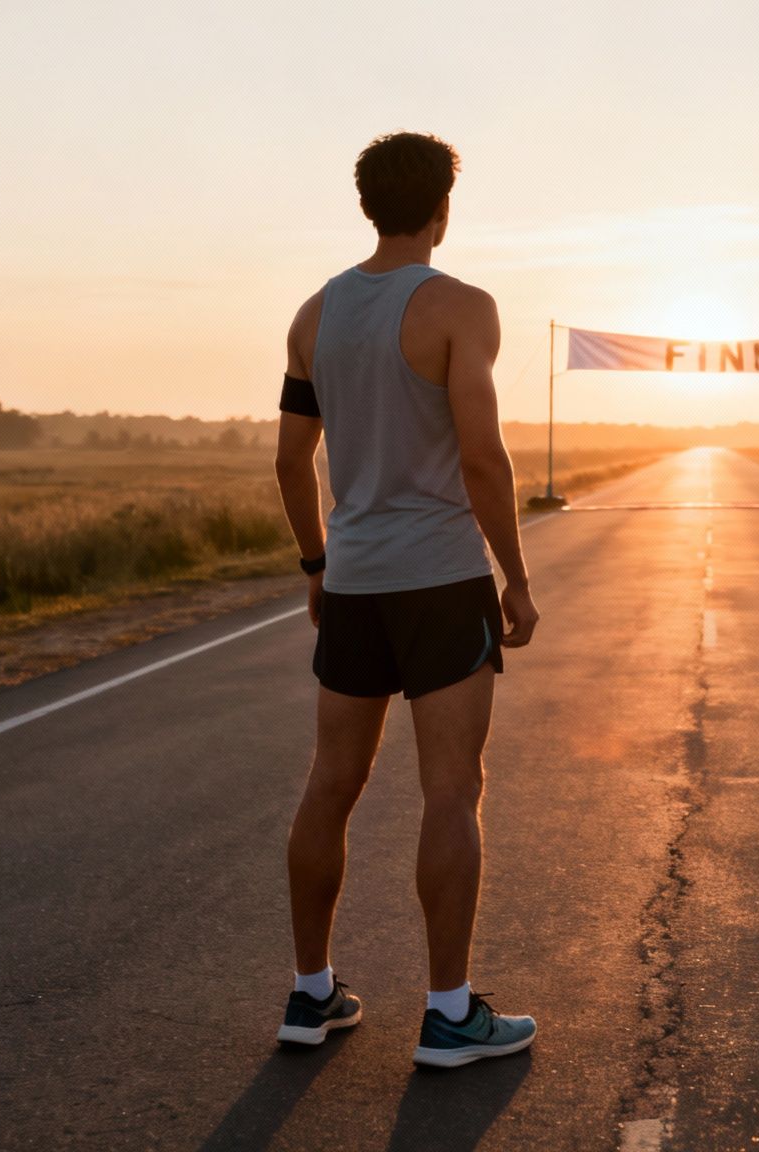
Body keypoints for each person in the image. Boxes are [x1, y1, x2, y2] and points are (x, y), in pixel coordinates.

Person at [270, 132, 539, 1068]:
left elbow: (290, 460)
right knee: (451, 791)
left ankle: (310, 998)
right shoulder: (461, 308)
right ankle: (450, 1014)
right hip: (438, 579)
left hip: (354, 585)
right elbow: (481, 456)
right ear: (443, 210)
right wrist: (517, 577)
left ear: (366, 205)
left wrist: (316, 564)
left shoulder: (315, 314)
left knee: (329, 786)